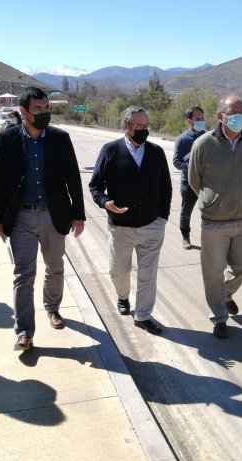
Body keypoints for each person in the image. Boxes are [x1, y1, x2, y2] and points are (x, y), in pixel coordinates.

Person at [0, 87, 85, 351]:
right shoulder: (8, 138)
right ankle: (24, 332)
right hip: (21, 216)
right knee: (24, 275)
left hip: (54, 215)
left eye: (46, 108)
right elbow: (1, 181)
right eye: (38, 109)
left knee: (55, 269)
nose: (44, 113)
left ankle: (53, 308)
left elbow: (73, 178)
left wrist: (78, 214)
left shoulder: (60, 138)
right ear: (24, 112)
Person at [89, 106, 172, 335]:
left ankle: (143, 315)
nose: (143, 130)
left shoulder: (156, 152)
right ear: (126, 126)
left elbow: (166, 187)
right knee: (118, 271)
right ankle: (122, 296)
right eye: (138, 126)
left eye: (146, 126)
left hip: (152, 225)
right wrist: (106, 203)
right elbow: (95, 185)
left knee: (148, 273)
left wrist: (162, 218)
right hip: (121, 227)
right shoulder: (110, 150)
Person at [188, 95, 242, 338]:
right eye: (232, 112)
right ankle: (219, 316)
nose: (238, 116)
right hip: (214, 222)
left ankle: (225, 294)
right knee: (213, 272)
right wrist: (212, 201)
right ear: (221, 116)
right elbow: (194, 180)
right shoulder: (204, 144)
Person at [172, 106, 206, 249]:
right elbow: (176, 162)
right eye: (197, 119)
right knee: (186, 211)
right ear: (189, 121)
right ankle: (185, 237)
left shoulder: (208, 137)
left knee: (211, 212)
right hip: (189, 182)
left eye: (202, 118)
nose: (201, 121)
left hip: (207, 182)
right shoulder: (182, 139)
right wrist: (192, 167)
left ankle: (211, 239)